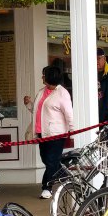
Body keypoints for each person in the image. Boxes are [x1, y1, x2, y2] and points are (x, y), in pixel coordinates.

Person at [24, 65, 74, 199]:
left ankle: (47, 188)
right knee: (47, 160)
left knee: (51, 161)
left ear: (50, 76)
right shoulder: (41, 92)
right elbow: (37, 110)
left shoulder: (62, 93)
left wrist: (72, 131)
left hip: (56, 134)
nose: (42, 77)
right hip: (42, 133)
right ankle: (67, 175)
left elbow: (69, 114)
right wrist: (29, 104)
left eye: (43, 74)